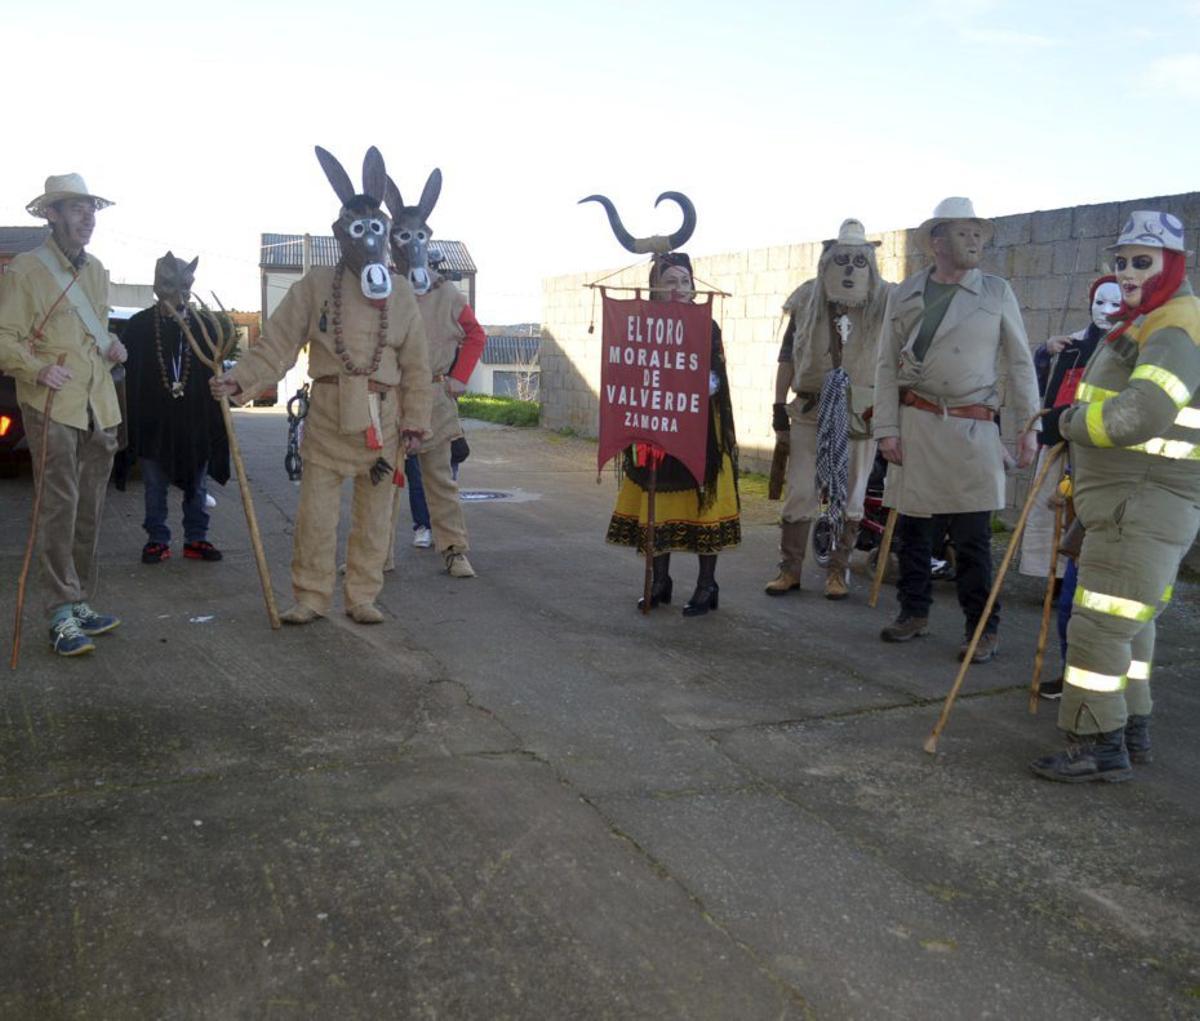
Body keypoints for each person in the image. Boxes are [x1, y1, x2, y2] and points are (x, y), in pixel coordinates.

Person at [210, 146, 432, 625]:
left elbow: (416, 367)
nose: (370, 238)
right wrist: (238, 380)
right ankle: (311, 596)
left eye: (378, 229)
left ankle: (362, 595)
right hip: (329, 416)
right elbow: (277, 345)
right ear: (340, 235)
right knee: (315, 518)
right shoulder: (314, 285)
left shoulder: (404, 295)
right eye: (359, 229)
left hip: (384, 422)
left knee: (375, 520)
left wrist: (416, 421)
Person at [1031, 211, 1200, 783]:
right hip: (1133, 506)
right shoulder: (1149, 320)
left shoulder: (1175, 327)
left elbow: (1140, 414)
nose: (1127, 271)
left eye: (1142, 261)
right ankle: (1130, 729)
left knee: (1098, 629)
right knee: (1131, 626)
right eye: (1121, 260)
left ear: (1175, 264)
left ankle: (1093, 742)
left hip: (1141, 505)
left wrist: (1068, 422)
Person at [873, 197, 1039, 662]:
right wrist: (887, 427)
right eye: (964, 233)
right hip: (916, 423)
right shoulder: (904, 294)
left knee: (972, 539)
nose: (975, 241)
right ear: (936, 242)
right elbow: (886, 365)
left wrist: (1028, 427)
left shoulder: (995, 291)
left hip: (973, 428)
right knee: (913, 532)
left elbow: (1021, 363)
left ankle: (982, 627)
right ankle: (914, 612)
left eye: (979, 234)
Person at [0, 173, 126, 657]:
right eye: (77, 209)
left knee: (90, 509)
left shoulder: (95, 270)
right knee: (58, 507)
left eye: (91, 209)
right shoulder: (26, 270)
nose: (88, 218)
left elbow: (95, 332)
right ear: (51, 215)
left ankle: (79, 602)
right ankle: (58, 611)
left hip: (99, 407)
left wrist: (112, 346)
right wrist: (37, 369)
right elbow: (6, 339)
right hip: (52, 404)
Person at [765, 218, 893, 600]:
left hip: (859, 412)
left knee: (852, 495)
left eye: (859, 260)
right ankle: (789, 570)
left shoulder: (885, 300)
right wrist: (777, 407)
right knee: (801, 491)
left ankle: (837, 572)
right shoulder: (807, 298)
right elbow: (789, 354)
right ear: (828, 260)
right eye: (842, 260)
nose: (850, 269)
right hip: (809, 409)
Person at [607, 253, 741, 615]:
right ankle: (660, 581)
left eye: (685, 281)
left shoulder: (706, 326)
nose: (679, 289)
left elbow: (715, 378)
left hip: (699, 430)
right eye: (670, 281)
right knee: (657, 504)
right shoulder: (642, 325)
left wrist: (683, 385)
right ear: (655, 288)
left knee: (702, 505)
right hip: (655, 428)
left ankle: (706, 585)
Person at [1017, 274, 1121, 698]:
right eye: (1100, 300)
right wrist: (1046, 355)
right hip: (1061, 455)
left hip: (1107, 470)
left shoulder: (1141, 347)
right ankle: (1069, 669)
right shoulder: (1073, 344)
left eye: (1116, 300)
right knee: (1064, 569)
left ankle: (1099, 685)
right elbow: (1041, 392)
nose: (1107, 308)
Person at [384, 170, 487, 578]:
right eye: (402, 236)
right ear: (393, 240)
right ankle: (374, 555)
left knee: (440, 481)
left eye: (419, 236)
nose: (412, 244)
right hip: (390, 398)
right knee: (383, 481)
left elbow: (475, 335)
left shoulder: (447, 294)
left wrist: (459, 377)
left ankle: (454, 549)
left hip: (434, 399)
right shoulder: (383, 289)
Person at [121, 252, 230, 564]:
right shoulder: (141, 326)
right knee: (154, 484)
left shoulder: (204, 326)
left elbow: (215, 370)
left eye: (185, 285)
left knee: (197, 483)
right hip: (154, 421)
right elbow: (126, 373)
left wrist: (222, 389)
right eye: (170, 284)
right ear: (158, 285)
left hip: (194, 421)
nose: (177, 294)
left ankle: (197, 538)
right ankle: (157, 539)